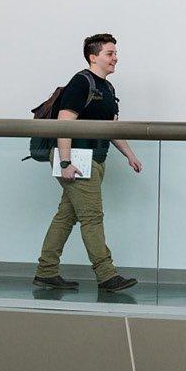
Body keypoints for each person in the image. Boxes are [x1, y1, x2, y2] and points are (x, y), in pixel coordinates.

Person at [33, 33, 144, 293]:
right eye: (110, 53)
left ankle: (46, 270)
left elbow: (111, 129)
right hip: (77, 158)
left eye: (115, 53)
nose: (115, 57)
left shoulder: (107, 89)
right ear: (93, 57)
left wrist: (130, 155)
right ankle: (106, 274)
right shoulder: (81, 82)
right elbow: (64, 122)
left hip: (95, 158)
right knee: (92, 216)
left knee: (66, 216)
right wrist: (65, 162)